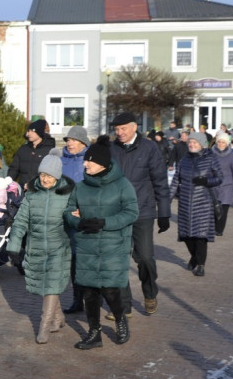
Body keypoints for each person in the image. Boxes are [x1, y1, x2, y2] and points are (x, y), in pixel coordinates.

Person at [64, 136, 139, 349]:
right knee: (89, 292)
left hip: (112, 245)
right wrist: (78, 222)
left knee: (111, 290)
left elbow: (131, 212)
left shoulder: (123, 185)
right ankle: (93, 333)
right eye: (85, 160)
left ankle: (120, 319)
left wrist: (104, 222)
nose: (85, 164)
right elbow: (68, 210)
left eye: (90, 161)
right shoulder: (80, 186)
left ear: (103, 163)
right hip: (87, 245)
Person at [7, 152, 74, 343]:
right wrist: (14, 244)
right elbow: (20, 221)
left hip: (58, 246)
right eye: (43, 175)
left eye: (50, 176)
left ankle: (44, 325)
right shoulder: (32, 194)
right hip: (35, 246)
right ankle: (59, 317)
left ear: (58, 176)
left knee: (52, 283)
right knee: (47, 285)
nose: (45, 179)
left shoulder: (68, 194)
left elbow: (74, 218)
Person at [109, 112, 171, 317]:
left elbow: (160, 181)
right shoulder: (111, 149)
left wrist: (163, 212)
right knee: (118, 260)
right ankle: (123, 306)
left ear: (134, 127)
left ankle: (150, 292)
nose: (119, 133)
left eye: (123, 128)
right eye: (116, 129)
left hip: (142, 211)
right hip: (117, 213)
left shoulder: (149, 148)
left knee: (144, 258)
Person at [170, 134, 222, 276]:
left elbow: (219, 178)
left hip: (203, 203)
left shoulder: (210, 158)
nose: (192, 144)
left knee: (200, 235)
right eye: (190, 142)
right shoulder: (184, 159)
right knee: (186, 236)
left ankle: (200, 264)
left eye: (195, 142)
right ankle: (194, 256)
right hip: (185, 203)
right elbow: (175, 180)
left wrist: (206, 181)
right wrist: (167, 200)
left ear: (202, 144)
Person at [60, 126, 90, 313]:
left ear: (83, 143)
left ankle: (92, 299)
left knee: (85, 260)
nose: (69, 143)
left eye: (73, 140)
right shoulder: (61, 160)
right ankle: (77, 300)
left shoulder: (90, 160)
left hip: (85, 216)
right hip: (66, 216)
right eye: (67, 140)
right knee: (72, 260)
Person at [8, 119, 57, 190]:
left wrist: (36, 185)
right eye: (28, 131)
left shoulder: (50, 151)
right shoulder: (23, 149)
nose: (29, 134)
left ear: (39, 132)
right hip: (23, 191)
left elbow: (52, 173)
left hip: (41, 191)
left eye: (32, 131)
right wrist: (8, 181)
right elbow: (14, 169)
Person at [210, 133, 233, 235]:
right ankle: (213, 226)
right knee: (214, 209)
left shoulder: (231, 155)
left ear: (227, 143)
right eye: (219, 141)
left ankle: (219, 230)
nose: (220, 144)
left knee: (223, 210)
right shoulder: (210, 154)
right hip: (213, 185)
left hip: (226, 186)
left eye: (223, 142)